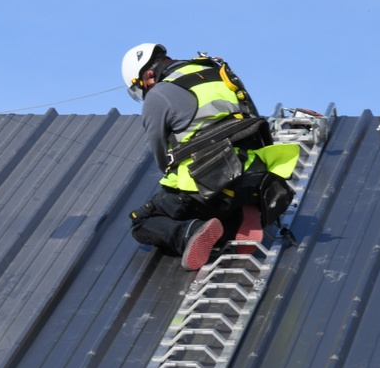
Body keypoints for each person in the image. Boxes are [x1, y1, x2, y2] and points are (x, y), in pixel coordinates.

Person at [122, 43, 298, 270]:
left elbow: (160, 151)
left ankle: (190, 233)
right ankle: (244, 213)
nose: (145, 92)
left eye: (142, 87)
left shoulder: (159, 94)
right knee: (222, 206)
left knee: (142, 221)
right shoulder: (218, 71)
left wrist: (171, 177)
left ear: (147, 75)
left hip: (209, 182)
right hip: (256, 175)